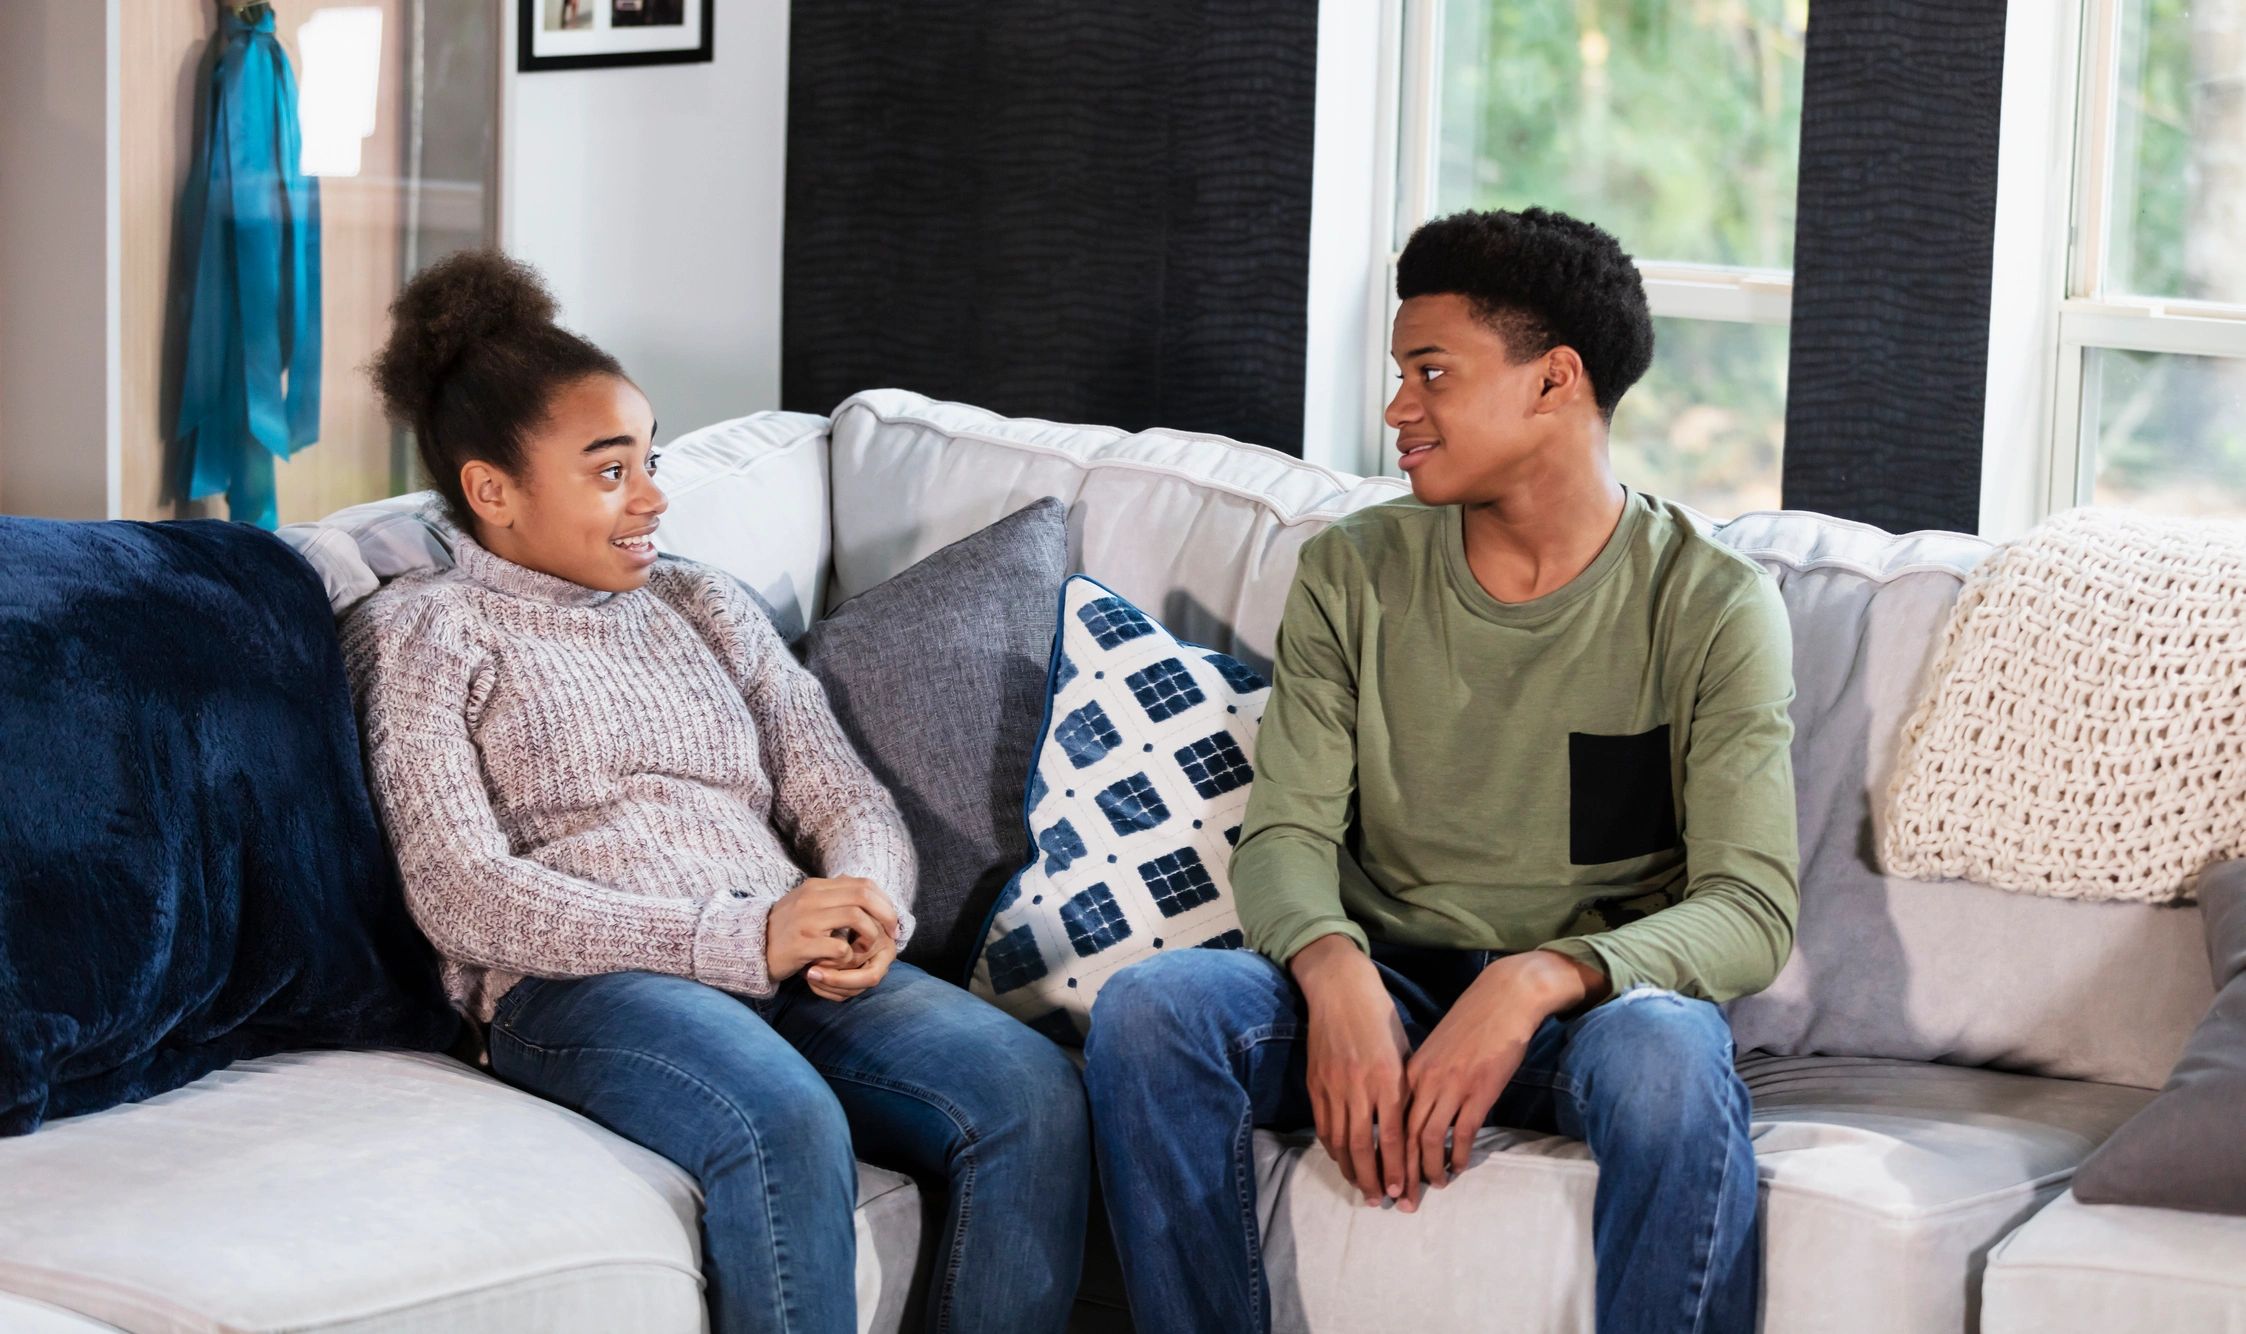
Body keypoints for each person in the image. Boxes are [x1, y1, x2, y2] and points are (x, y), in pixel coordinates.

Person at [341, 249, 1089, 1334]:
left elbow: (840, 792)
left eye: (650, 459)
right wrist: (735, 938)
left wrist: (867, 905)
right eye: (611, 472)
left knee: (1031, 1091)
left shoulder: (701, 604)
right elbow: (463, 893)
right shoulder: (423, 629)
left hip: (783, 951)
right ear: (491, 490)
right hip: (583, 984)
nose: (653, 496)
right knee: (783, 1117)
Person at [1082, 207, 1800, 1334]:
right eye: (1397, 374)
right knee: (1150, 1014)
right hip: (1391, 987)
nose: (1396, 410)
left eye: (1431, 372)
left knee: (1669, 1060)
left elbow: (1749, 908)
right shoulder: (1351, 571)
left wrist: (1531, 981)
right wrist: (1335, 977)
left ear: (1554, 380)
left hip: (1594, 1013)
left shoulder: (1711, 603)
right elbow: (1285, 837)